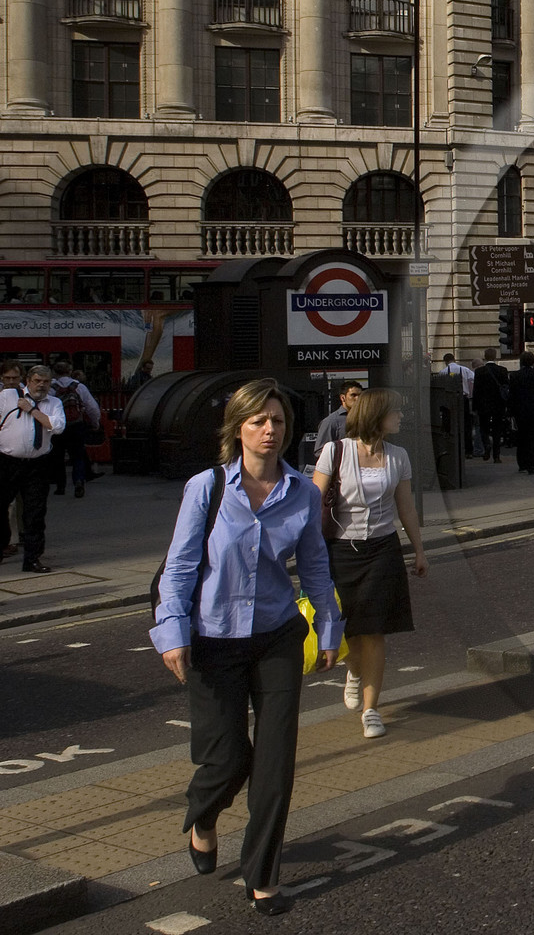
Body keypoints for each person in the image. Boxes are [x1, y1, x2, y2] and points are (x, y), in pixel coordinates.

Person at [150, 379, 343, 916]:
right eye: (258, 421)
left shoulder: (302, 491)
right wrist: (172, 632)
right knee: (228, 758)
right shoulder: (207, 488)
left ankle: (263, 874)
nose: (269, 430)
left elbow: (314, 567)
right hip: (213, 639)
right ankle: (204, 817)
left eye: (277, 421)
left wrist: (328, 626)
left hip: (278, 636)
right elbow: (181, 566)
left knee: (276, 763)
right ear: (238, 428)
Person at [313, 388, 427, 739]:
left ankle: (371, 709)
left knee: (375, 630)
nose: (400, 417)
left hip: (382, 549)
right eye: (394, 413)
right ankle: (353, 672)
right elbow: (313, 505)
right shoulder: (335, 452)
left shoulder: (398, 457)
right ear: (377, 416)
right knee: (349, 630)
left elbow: (405, 507)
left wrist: (419, 550)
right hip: (340, 550)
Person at [1, 364, 65, 574]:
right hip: (8, 462)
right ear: (28, 380)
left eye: (46, 382)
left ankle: (32, 558)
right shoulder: (9, 396)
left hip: (38, 464)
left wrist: (33, 410)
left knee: (35, 513)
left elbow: (57, 426)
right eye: (37, 380)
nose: (42, 385)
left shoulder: (53, 402)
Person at [49, 362, 100, 498]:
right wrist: (95, 423)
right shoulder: (79, 387)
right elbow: (92, 408)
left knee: (58, 456)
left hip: (57, 426)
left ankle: (60, 486)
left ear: (54, 372)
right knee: (78, 455)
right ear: (70, 371)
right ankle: (78, 481)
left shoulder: (51, 388)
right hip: (76, 425)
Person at [508, 352, 534, 474]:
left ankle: (522, 463)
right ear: (533, 362)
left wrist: (511, 413)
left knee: (522, 438)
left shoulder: (515, 376)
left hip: (520, 412)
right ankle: (532, 463)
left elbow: (512, 396)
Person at [0, 362, 23, 558]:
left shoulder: (26, 396)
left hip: (18, 454)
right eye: (7, 378)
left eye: (14, 378)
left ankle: (13, 539)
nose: (10, 382)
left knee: (13, 501)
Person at [475, 348, 511, 462]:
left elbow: (476, 390)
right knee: (497, 429)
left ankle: (486, 445)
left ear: (485, 357)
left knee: (483, 428)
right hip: (498, 404)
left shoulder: (479, 372)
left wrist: (475, 407)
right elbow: (506, 388)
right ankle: (496, 455)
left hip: (484, 405)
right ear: (495, 356)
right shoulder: (503, 370)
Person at [440, 354, 477, 456]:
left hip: (449, 400)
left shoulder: (443, 372)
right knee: (466, 425)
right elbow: (473, 379)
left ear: (445, 361)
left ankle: (452, 449)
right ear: (454, 359)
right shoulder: (464, 369)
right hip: (463, 399)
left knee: (451, 425)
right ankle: (468, 450)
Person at [314, 381, 363, 452]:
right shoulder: (331, 421)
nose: (358, 399)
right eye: (353, 395)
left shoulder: (365, 418)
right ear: (343, 398)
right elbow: (320, 451)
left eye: (360, 395)